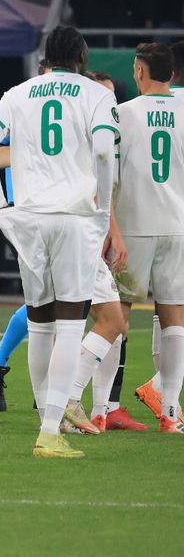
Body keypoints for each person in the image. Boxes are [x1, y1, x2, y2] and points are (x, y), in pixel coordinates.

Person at [0, 26, 117, 458]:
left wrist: (0, 207)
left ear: (48, 58)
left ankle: (45, 422)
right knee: (71, 324)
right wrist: (103, 209)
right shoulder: (96, 94)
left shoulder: (19, 92)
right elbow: (104, 152)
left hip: (28, 217)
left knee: (39, 321)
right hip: (74, 218)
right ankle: (51, 431)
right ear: (82, 57)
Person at [112, 42, 184, 432]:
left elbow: (108, 174)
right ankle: (170, 412)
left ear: (139, 72)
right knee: (174, 318)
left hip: (133, 228)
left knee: (115, 316)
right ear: (171, 74)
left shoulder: (121, 113)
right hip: (177, 225)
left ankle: (102, 407)